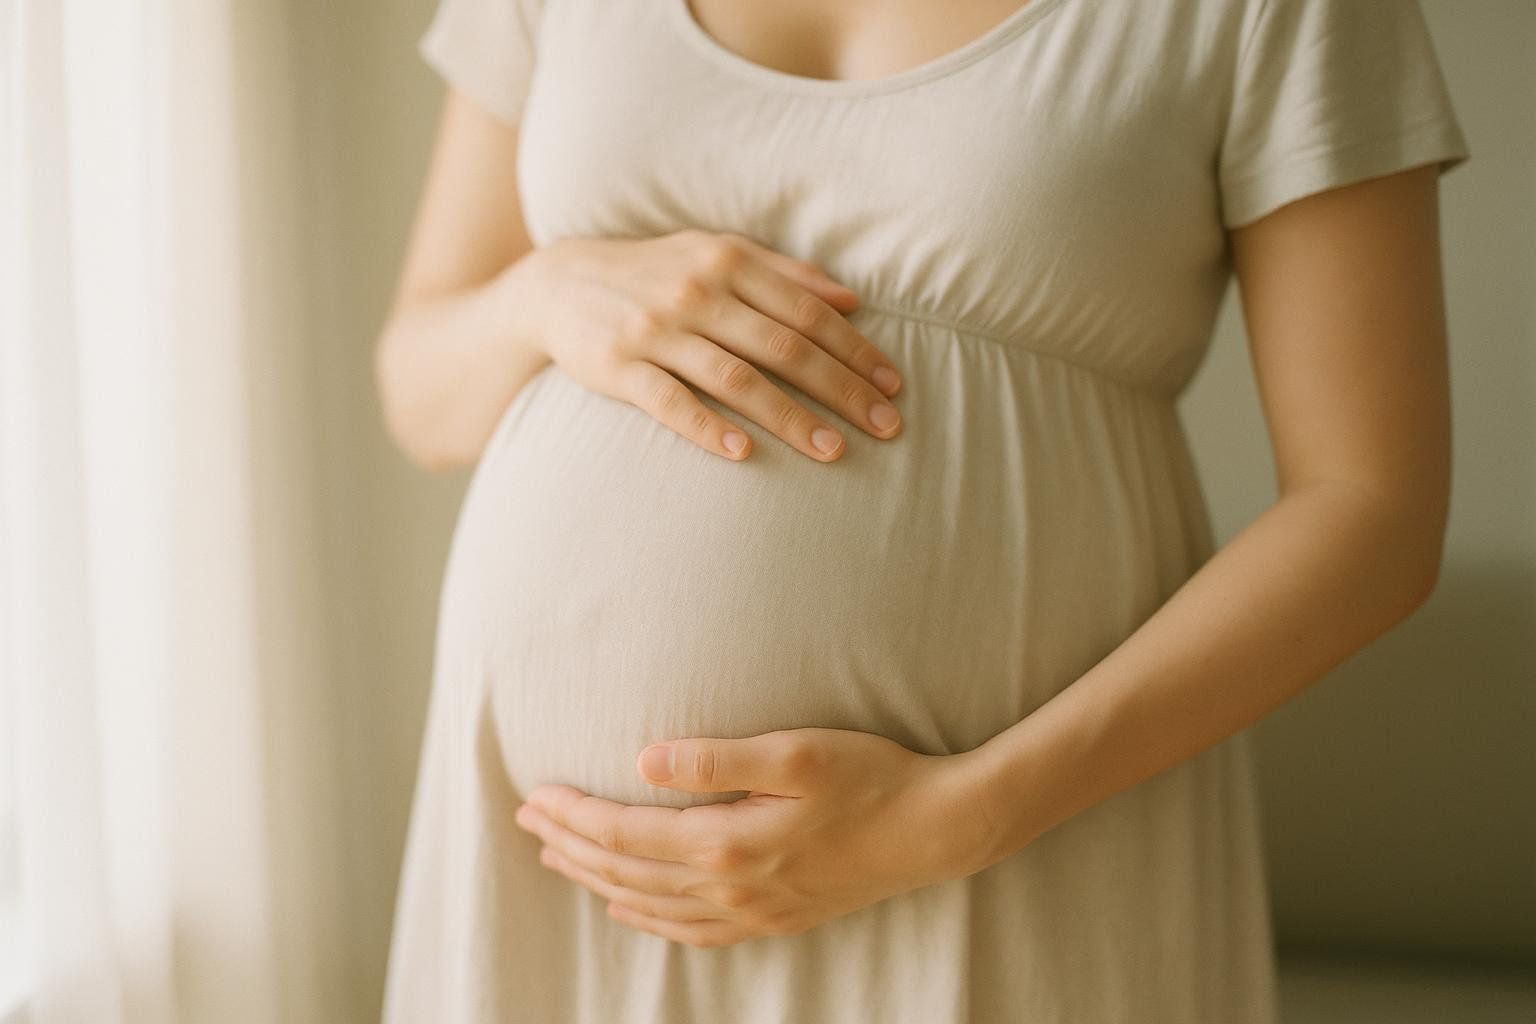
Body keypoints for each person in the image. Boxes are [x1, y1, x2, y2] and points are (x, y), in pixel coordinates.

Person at [373, 1, 1471, 1021]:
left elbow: (1371, 509)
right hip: (561, 890)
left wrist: (964, 816)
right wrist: (542, 291)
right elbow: (420, 394)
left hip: (1013, 848)